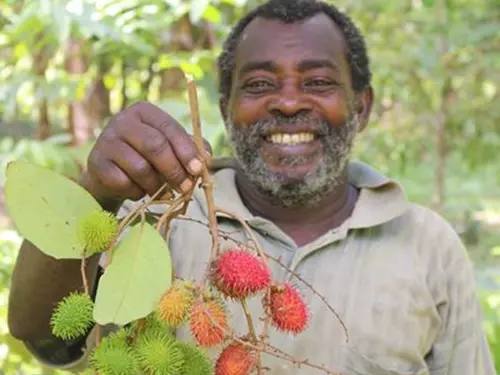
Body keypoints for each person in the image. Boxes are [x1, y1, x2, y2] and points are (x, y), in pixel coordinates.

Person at [7, 0, 496, 374]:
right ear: (225, 108)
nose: (287, 103)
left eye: (318, 82)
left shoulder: (428, 244)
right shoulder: (155, 219)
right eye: (260, 85)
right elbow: (45, 338)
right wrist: (98, 192)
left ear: (362, 107)